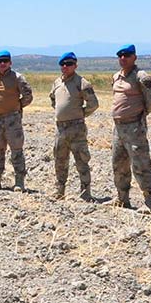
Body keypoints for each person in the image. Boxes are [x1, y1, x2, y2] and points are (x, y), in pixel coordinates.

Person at [108, 44, 151, 213]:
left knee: (141, 164)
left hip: (134, 127)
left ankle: (150, 202)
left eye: (127, 55)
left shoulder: (141, 76)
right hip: (118, 128)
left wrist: (139, 115)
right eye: (120, 55)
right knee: (119, 164)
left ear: (134, 57)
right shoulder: (116, 76)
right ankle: (122, 199)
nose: (123, 58)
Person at [48, 52, 99, 200]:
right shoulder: (57, 83)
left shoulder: (82, 83)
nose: (65, 67)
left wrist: (80, 114)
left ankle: (85, 192)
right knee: (60, 159)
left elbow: (93, 104)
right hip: (60, 128)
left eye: (69, 64)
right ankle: (60, 191)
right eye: (62, 64)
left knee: (81, 159)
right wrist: (61, 112)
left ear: (75, 65)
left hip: (76, 128)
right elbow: (53, 100)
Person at [0, 50, 33, 191]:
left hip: (13, 120)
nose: (2, 64)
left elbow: (28, 96)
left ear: (10, 62)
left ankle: (19, 182)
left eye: (5, 61)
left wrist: (16, 106)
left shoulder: (18, 78)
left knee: (16, 150)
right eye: (0, 61)